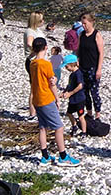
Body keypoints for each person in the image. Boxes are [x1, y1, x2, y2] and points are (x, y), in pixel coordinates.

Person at [28, 37, 80, 166]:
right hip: (46, 98)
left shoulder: (32, 63)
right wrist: (57, 99)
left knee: (42, 127)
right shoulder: (46, 64)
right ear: (46, 48)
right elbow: (52, 84)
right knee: (59, 127)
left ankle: (45, 156)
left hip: (37, 99)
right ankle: (63, 156)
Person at [78, 13, 105, 120]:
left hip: (93, 67)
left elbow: (101, 53)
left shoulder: (97, 35)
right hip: (82, 67)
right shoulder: (81, 34)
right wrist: (76, 60)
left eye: (85, 23)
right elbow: (78, 50)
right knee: (84, 91)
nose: (83, 26)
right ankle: (89, 112)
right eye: (82, 24)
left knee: (94, 92)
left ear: (91, 22)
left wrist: (99, 69)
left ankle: (97, 113)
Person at [24, 13, 47, 116]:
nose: (43, 22)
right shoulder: (30, 31)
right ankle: (32, 113)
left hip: (40, 60)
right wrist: (37, 51)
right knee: (34, 88)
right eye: (41, 20)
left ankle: (38, 109)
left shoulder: (38, 30)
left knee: (40, 86)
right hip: (33, 61)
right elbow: (29, 43)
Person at [62, 57, 87, 137]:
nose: (66, 69)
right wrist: (64, 92)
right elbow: (69, 85)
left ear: (72, 64)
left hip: (79, 99)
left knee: (81, 116)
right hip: (73, 99)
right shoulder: (72, 75)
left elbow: (80, 86)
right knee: (69, 113)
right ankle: (74, 126)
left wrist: (70, 93)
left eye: (67, 66)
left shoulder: (78, 74)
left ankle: (84, 132)